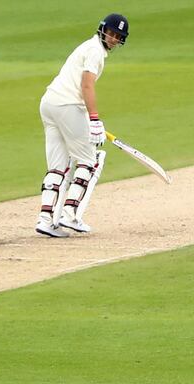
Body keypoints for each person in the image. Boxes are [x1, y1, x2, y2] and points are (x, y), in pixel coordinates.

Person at [35, 14, 129, 237]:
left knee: (57, 167)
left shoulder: (88, 46)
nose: (114, 39)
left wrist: (87, 117)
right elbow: (86, 86)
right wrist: (94, 118)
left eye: (118, 36)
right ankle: (70, 214)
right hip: (68, 105)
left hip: (48, 104)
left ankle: (46, 220)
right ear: (103, 29)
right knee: (89, 161)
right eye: (112, 33)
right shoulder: (96, 51)